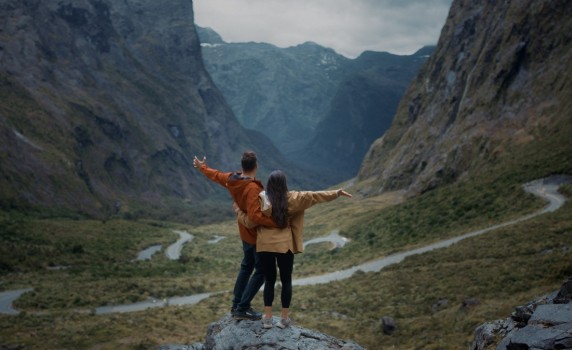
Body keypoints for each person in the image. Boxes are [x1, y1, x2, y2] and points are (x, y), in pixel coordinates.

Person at [235, 170, 352, 329]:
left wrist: (238, 211)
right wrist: (336, 193)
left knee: (269, 280)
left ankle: (268, 319)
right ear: (284, 184)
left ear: (269, 184)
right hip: (285, 246)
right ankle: (283, 319)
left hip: (264, 246)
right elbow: (315, 196)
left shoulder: (261, 199)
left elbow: (249, 221)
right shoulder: (293, 198)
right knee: (286, 281)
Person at [193, 151, 277, 320]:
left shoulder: (232, 179)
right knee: (262, 271)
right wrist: (277, 223)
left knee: (246, 267)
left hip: (244, 233)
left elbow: (216, 175)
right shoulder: (253, 188)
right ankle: (242, 308)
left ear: (242, 166)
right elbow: (254, 216)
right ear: (256, 165)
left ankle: (236, 305)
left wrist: (202, 167)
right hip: (255, 236)